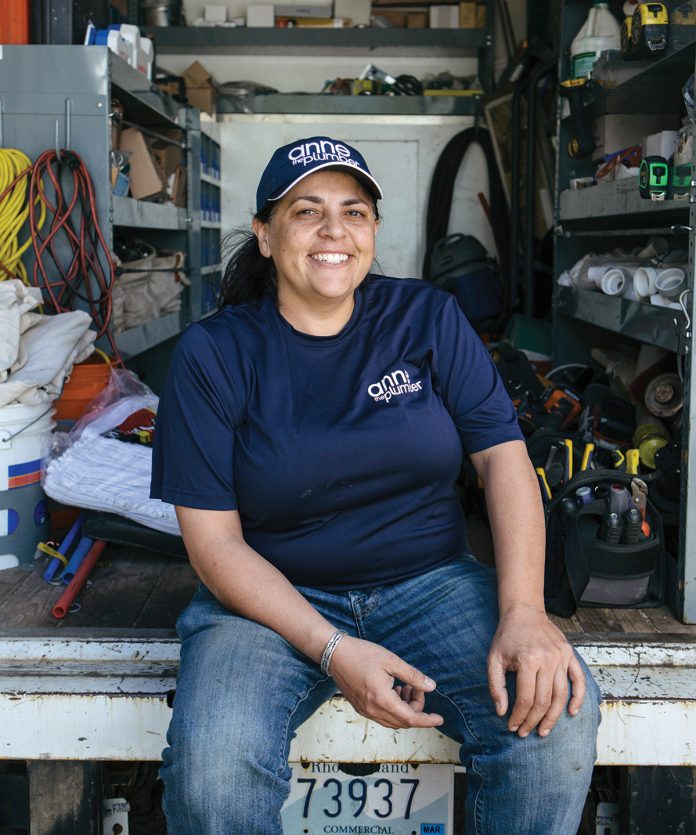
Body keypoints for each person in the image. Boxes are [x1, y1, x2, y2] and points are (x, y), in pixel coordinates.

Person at [151, 135, 601, 834]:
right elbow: (213, 544)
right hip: (266, 603)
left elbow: (502, 457)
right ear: (265, 236)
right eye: (307, 211)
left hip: (430, 583)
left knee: (554, 725)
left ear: (374, 232)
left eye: (353, 211)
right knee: (214, 775)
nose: (334, 231)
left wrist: (523, 609)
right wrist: (333, 647)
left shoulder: (427, 317)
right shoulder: (214, 353)